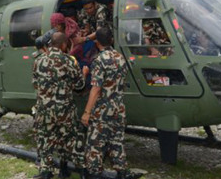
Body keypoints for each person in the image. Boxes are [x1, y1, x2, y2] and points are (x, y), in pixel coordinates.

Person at [81, 28, 141, 179]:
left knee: (95, 143)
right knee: (117, 140)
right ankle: (122, 172)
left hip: (102, 109)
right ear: (111, 40)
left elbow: (96, 88)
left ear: (97, 42)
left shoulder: (99, 60)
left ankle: (94, 173)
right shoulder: (120, 57)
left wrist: (87, 112)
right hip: (118, 107)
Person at [32, 32, 88, 179]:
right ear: (63, 45)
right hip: (65, 110)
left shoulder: (38, 61)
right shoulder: (69, 61)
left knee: (45, 139)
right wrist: (84, 74)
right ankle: (82, 171)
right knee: (72, 140)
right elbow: (79, 85)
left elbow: (35, 84)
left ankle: (46, 172)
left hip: (45, 110)